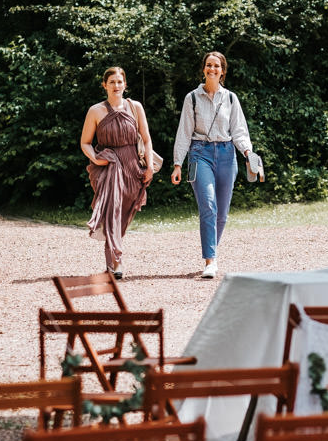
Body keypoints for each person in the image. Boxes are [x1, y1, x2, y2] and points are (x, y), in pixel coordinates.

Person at [171, 51, 253, 279]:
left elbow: (239, 131)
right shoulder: (192, 98)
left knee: (222, 214)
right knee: (208, 205)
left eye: (216, 66)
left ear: (222, 71)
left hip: (227, 155)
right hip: (200, 154)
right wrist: (178, 163)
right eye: (209, 65)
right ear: (204, 69)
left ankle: (211, 250)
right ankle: (210, 261)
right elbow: (184, 132)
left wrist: (248, 153)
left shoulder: (230, 98)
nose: (212, 69)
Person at [80, 67, 154, 279]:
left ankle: (110, 261)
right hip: (108, 166)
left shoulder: (135, 107)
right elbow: (85, 142)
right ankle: (116, 261)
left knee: (122, 215)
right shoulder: (96, 111)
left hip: (132, 167)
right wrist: (95, 158)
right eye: (112, 82)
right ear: (104, 85)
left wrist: (149, 166)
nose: (116, 86)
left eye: (120, 81)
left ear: (125, 84)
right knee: (112, 209)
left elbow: (146, 139)